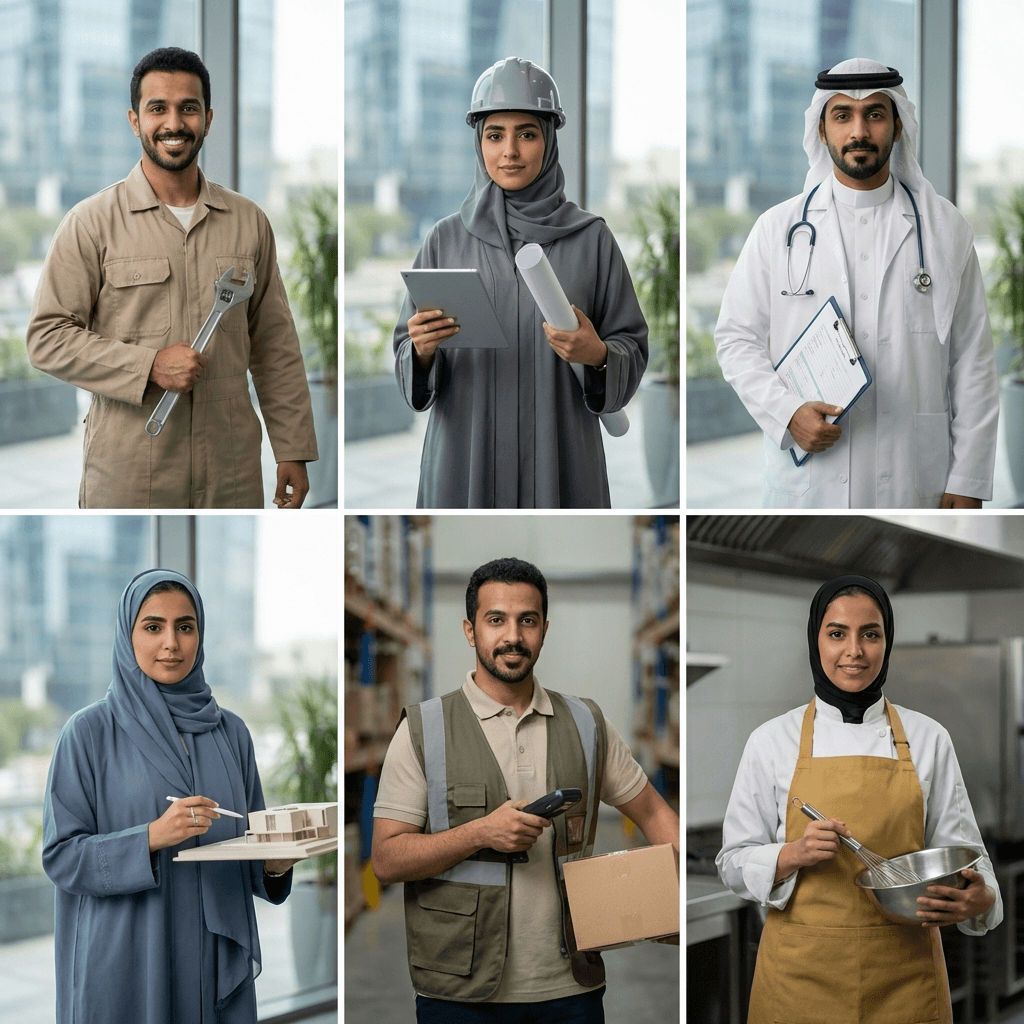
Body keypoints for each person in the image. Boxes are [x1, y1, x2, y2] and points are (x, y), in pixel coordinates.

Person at [371, 557, 679, 1022]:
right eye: (496, 620)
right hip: (459, 992)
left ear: (544, 630)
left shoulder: (586, 723)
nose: (512, 636)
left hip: (570, 988)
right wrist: (480, 833)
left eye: (527, 621)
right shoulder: (423, 728)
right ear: (470, 630)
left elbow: (654, 813)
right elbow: (387, 860)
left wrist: (670, 895)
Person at [26, 47, 318, 509]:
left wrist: (293, 447)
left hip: (233, 470)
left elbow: (274, 343)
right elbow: (47, 338)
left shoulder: (249, 221)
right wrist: (148, 366)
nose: (174, 123)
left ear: (208, 117)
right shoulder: (90, 223)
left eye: (189, 108)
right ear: (134, 120)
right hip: (128, 470)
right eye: (157, 108)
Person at [714, 58, 998, 509]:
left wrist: (968, 478)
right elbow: (735, 338)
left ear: (898, 126)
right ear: (822, 130)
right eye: (842, 115)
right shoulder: (777, 228)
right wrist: (786, 412)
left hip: (914, 476)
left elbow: (973, 362)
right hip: (811, 485)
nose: (859, 131)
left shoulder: (946, 230)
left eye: (875, 115)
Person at [717, 574, 1002, 1024]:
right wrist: (793, 853)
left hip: (905, 983)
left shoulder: (929, 738)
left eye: (871, 634)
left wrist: (982, 901)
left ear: (887, 642)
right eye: (837, 634)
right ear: (816, 641)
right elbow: (732, 862)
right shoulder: (772, 740)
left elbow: (969, 859)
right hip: (799, 984)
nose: (854, 651)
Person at [42, 569, 298, 1023]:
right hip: (127, 958)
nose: (172, 644)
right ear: (127, 633)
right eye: (153, 626)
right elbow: (61, 856)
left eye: (185, 626)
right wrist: (150, 837)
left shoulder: (231, 732)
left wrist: (275, 866)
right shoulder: (88, 733)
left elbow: (253, 844)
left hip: (212, 959)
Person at [393, 57, 648, 509]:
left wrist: (599, 355)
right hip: (463, 460)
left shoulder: (591, 238)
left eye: (526, 134)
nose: (509, 151)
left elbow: (632, 343)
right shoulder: (445, 238)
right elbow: (405, 351)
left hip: (561, 457)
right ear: (479, 142)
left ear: (548, 141)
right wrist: (421, 350)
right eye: (495, 135)